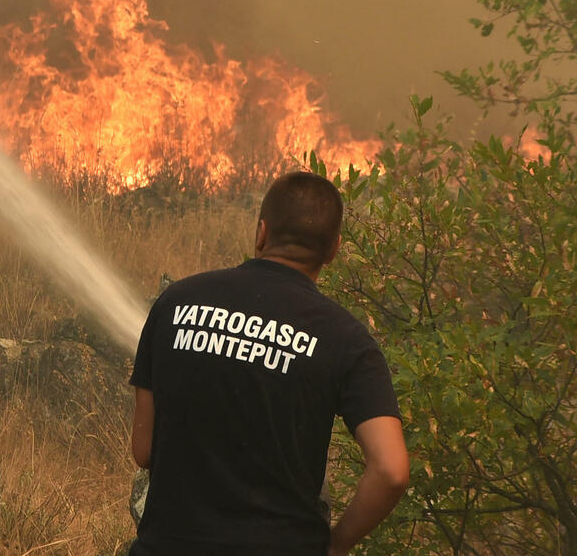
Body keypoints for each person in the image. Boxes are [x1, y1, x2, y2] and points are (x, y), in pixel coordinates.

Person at [128, 171, 409, 556]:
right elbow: (391, 471)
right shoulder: (348, 340)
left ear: (261, 233)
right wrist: (336, 546)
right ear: (334, 250)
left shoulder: (176, 302)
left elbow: (143, 450)